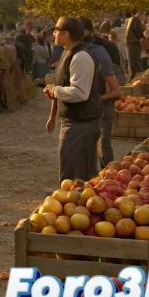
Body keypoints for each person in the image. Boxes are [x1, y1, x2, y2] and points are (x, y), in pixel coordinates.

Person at [41, 17, 103, 184]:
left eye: (57, 29)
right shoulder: (67, 53)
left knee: (76, 175)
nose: (54, 33)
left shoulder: (80, 57)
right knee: (72, 171)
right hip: (74, 122)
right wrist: (53, 115)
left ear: (66, 34)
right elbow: (59, 84)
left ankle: (78, 206)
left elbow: (80, 92)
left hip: (82, 124)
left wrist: (56, 90)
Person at [81, 18, 122, 167]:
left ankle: (107, 178)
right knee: (99, 145)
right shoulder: (86, 49)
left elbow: (115, 85)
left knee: (102, 146)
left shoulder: (100, 50)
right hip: (97, 103)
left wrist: (98, 97)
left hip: (102, 103)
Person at [125, 12, 144, 79]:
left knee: (133, 62)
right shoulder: (135, 20)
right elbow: (140, 32)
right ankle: (134, 78)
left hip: (131, 43)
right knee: (134, 62)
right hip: (134, 44)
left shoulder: (131, 19)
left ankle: (134, 77)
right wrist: (143, 37)